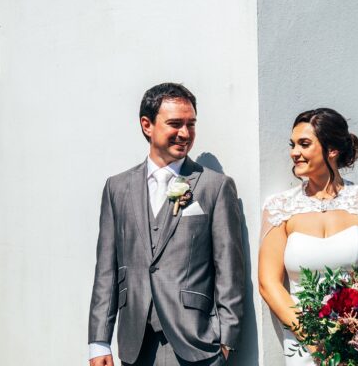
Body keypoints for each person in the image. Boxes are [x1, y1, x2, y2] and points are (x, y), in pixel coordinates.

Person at [88, 83, 244, 366]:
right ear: (147, 125)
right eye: (175, 124)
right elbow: (106, 271)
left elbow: (229, 270)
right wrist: (99, 342)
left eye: (191, 124)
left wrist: (226, 340)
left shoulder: (215, 186)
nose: (185, 133)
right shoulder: (117, 188)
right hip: (135, 344)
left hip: (198, 345)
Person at [258, 108, 358, 366]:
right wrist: (315, 340)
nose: (295, 152)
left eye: (304, 144)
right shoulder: (279, 208)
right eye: (293, 145)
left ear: (332, 151)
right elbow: (268, 283)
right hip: (303, 343)